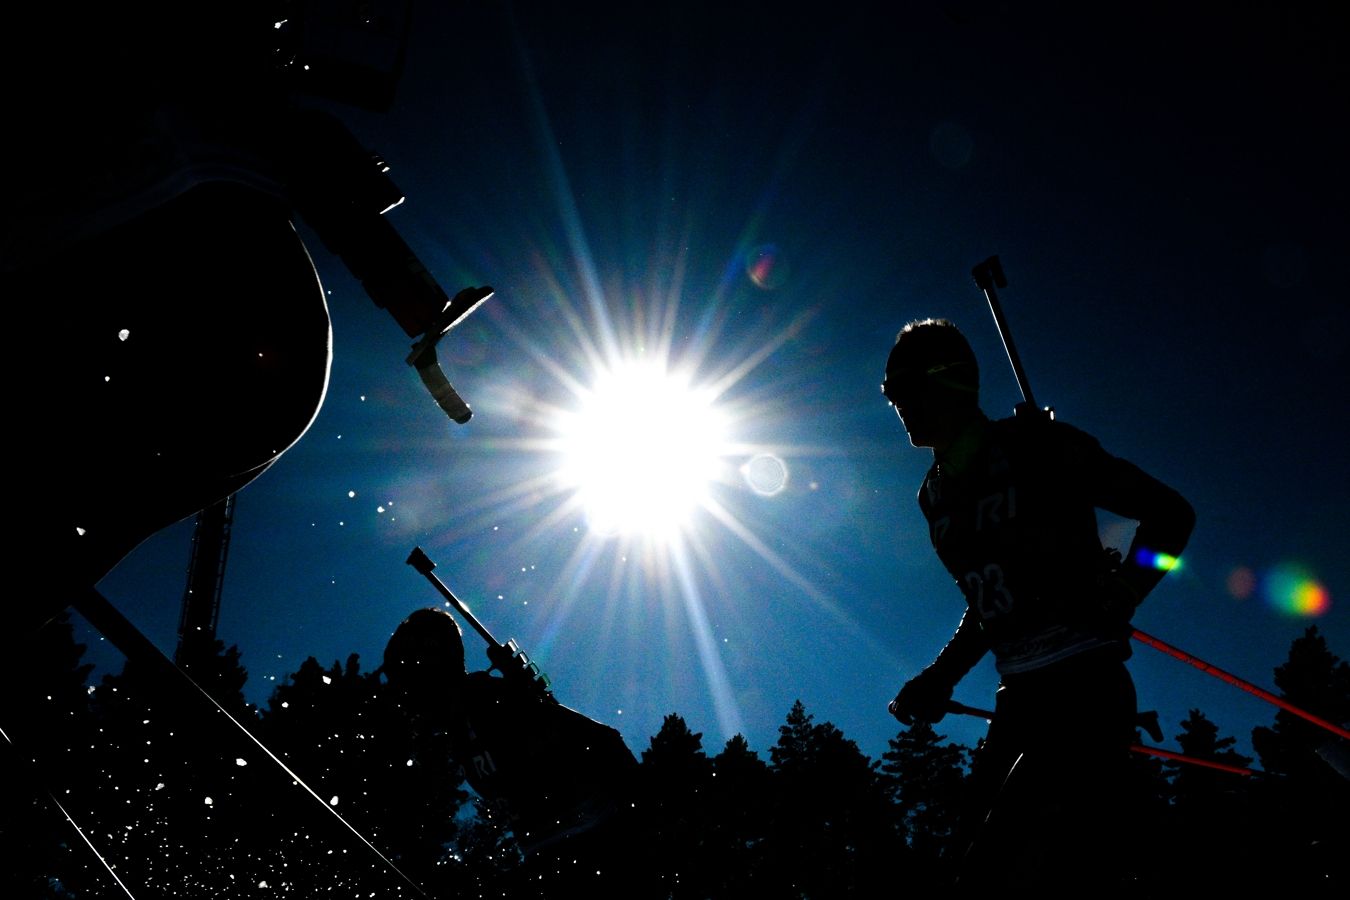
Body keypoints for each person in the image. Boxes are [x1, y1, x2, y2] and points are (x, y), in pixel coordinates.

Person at [882, 318, 1195, 891]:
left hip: (1087, 688)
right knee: (965, 864)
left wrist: (1127, 589)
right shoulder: (934, 496)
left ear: (954, 380)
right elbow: (987, 604)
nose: (898, 403)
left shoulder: (1037, 446)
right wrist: (938, 678)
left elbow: (1170, 515)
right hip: (1020, 697)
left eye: (907, 385)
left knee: (1003, 865)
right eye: (889, 391)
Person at [381, 607, 653, 895]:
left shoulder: (491, 703)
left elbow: (604, 740)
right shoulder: (462, 727)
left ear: (431, 669)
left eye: (406, 683)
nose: (405, 701)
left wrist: (646, 828)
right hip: (557, 860)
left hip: (596, 852)